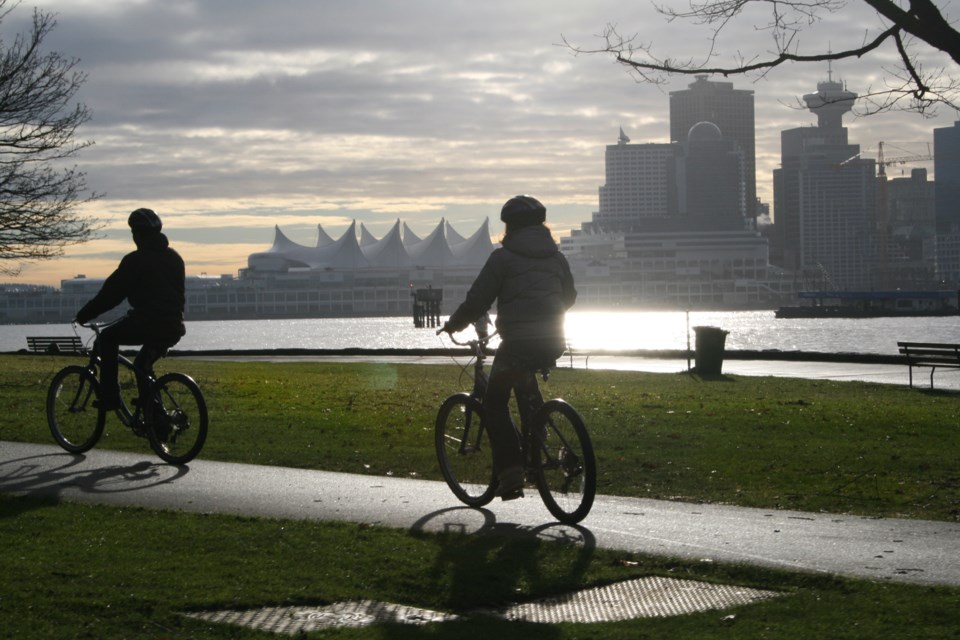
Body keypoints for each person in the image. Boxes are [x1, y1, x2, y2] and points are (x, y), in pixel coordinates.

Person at [440, 195, 577, 500]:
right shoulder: (557, 257)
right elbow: (569, 297)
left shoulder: (502, 258)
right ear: (542, 226)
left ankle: (512, 472)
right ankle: (536, 437)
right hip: (553, 339)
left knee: (494, 403)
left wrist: (453, 325)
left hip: (518, 342)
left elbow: (478, 301)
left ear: (509, 227)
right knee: (526, 388)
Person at [74, 208, 186, 413]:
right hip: (174, 326)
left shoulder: (135, 260)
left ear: (137, 234)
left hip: (148, 322)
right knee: (143, 365)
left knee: (106, 339)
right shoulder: (174, 258)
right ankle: (155, 418)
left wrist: (85, 314)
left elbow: (111, 294)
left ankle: (110, 397)